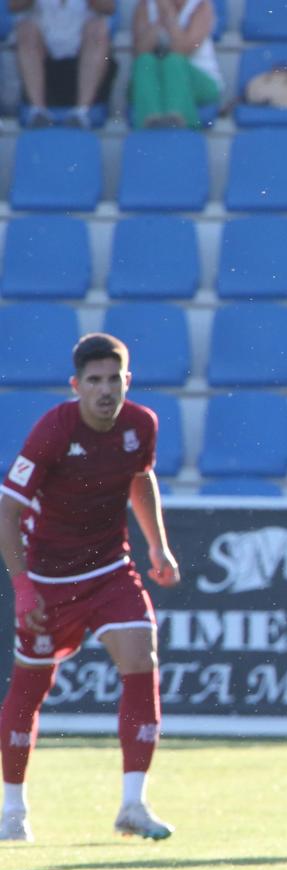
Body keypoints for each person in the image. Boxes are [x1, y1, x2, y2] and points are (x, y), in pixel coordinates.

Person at [0, 334, 181, 843]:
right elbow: (7, 510)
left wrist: (158, 547)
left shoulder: (141, 424)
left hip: (108, 570)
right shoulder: (55, 430)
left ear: (128, 381)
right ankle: (13, 810)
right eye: (94, 381)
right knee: (29, 690)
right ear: (76, 386)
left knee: (141, 658)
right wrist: (24, 588)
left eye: (113, 379)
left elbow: (140, 478)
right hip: (49, 581)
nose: (105, 390)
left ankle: (133, 804)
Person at [11, 0, 117, 128]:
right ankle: (37, 111)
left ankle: (82, 111)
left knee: (98, 29)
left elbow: (108, 7)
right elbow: (14, 6)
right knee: (26, 30)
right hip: (45, 53)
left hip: (81, 50)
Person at [129, 0, 220, 129]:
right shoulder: (145, 6)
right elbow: (139, 52)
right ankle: (148, 125)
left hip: (200, 79)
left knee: (173, 61)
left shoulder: (201, 6)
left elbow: (183, 49)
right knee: (144, 61)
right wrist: (156, 25)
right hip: (156, 81)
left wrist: (168, 15)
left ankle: (180, 123)